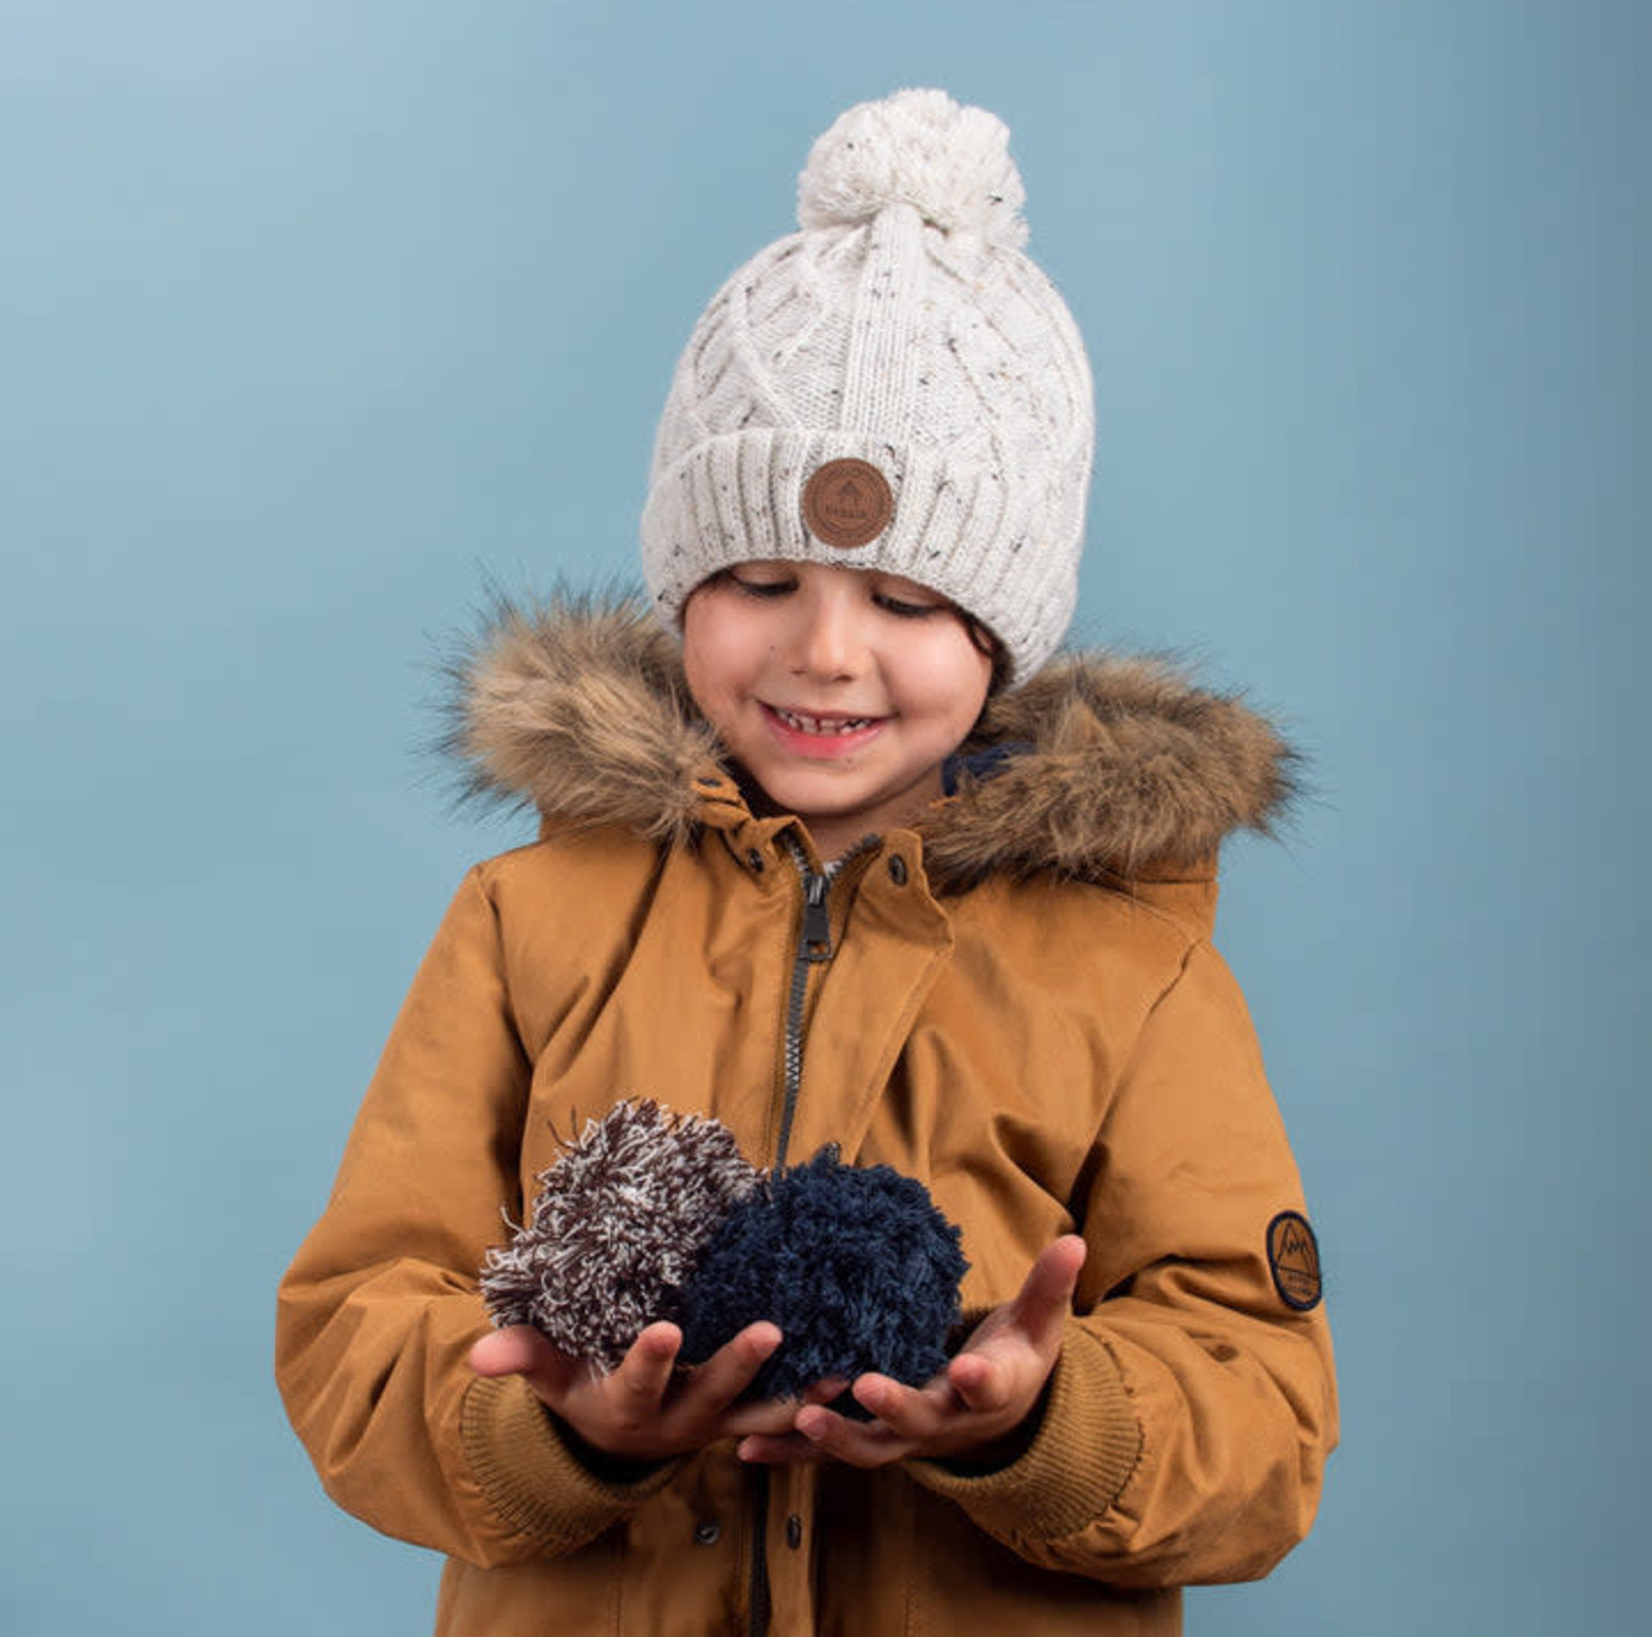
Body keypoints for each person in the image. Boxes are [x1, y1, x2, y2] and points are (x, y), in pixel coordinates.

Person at [276, 89, 1337, 1636]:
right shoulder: (525, 923)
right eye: (762, 577)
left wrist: (1040, 1421)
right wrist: (561, 1431)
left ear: (1002, 635)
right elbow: (355, 1331)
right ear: (680, 586)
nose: (827, 653)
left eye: (908, 601)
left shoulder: (1137, 964)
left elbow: (1266, 1418)